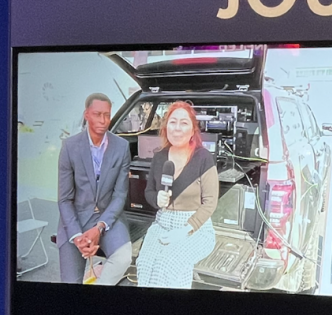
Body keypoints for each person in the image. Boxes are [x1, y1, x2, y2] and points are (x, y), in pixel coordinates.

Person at [136, 101, 219, 289]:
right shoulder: (159, 157)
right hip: (162, 223)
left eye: (184, 123)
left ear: (192, 130)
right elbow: (149, 191)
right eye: (173, 122)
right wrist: (156, 199)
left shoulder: (203, 158)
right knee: (144, 265)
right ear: (166, 127)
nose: (177, 128)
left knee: (167, 266)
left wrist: (184, 230)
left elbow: (210, 202)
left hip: (194, 228)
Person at [57, 93, 133, 285]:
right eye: (97, 114)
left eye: (107, 115)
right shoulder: (69, 147)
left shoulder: (122, 147)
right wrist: (76, 236)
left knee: (123, 258)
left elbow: (120, 195)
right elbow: (65, 199)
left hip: (109, 217)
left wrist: (99, 226)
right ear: (86, 115)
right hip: (76, 217)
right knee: (70, 282)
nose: (103, 120)